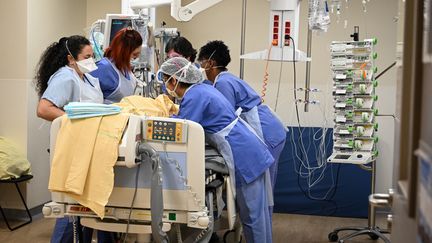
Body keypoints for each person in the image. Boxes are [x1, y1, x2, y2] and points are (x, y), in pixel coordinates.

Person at [158, 57, 275, 243]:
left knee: (252, 217)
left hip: (244, 154)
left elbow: (182, 131)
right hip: (248, 148)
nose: (166, 87)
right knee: (258, 216)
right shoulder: (202, 89)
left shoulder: (194, 96)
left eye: (165, 81)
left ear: (174, 80)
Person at [34, 35, 114, 243]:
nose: (92, 61)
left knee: (84, 213)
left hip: (88, 148)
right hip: (72, 149)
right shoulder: (66, 76)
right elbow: (44, 109)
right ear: (71, 59)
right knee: (72, 211)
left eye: (92, 56)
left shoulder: (88, 78)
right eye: (87, 57)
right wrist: (76, 122)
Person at [198, 40, 287, 218]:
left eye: (202, 63)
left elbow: (224, 117)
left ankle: (263, 226)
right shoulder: (227, 79)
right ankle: (264, 225)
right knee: (265, 188)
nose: (201, 68)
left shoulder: (222, 83)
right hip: (271, 128)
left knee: (263, 190)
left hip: (266, 131)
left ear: (211, 63)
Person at [90, 27, 142, 104]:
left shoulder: (125, 69)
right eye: (134, 54)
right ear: (123, 52)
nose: (137, 58)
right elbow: (88, 99)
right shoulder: (103, 69)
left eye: (139, 54)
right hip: (108, 114)